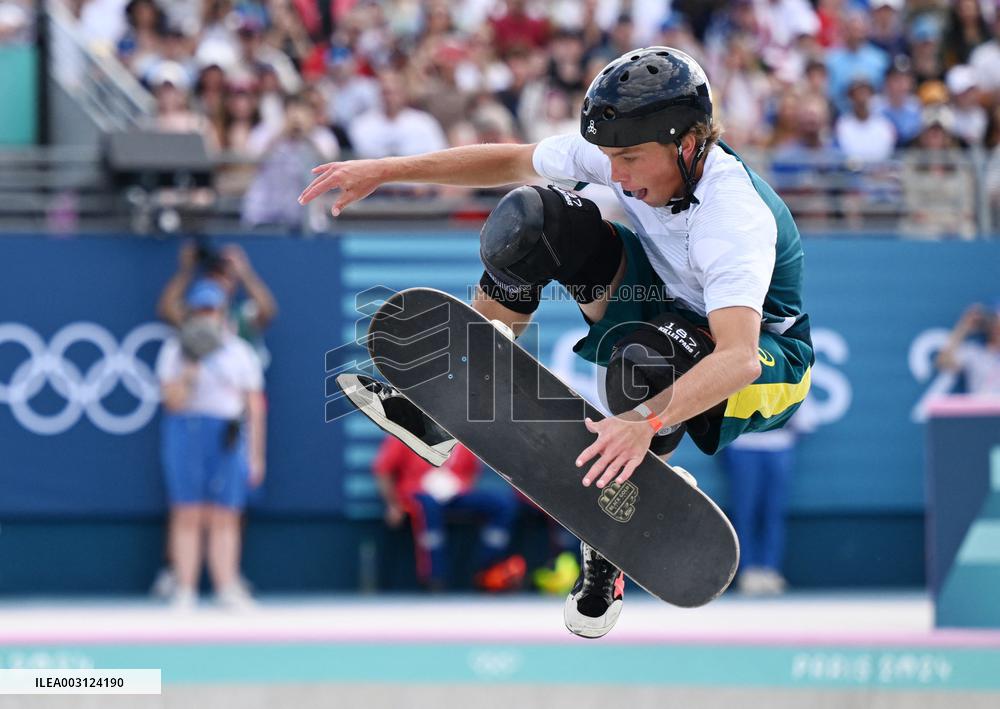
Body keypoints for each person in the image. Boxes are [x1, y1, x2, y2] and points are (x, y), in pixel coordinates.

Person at [304, 47, 813, 639]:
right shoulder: (623, 154)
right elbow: (512, 160)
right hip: (662, 306)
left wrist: (643, 424)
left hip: (768, 368)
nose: (617, 174)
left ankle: (611, 540)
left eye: (630, 159)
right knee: (531, 219)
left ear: (690, 143)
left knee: (646, 361)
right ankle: (452, 407)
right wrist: (385, 171)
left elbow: (739, 358)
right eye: (609, 158)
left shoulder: (733, 214)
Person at [156, 279, 266, 610]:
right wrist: (191, 366)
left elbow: (254, 406)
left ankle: (226, 585)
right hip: (186, 432)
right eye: (200, 310)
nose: (207, 316)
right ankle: (186, 588)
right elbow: (172, 402)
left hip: (227, 435)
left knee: (226, 514)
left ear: (222, 313)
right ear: (191, 314)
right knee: (187, 511)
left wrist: (257, 456)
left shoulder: (240, 352)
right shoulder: (174, 350)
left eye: (212, 310)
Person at [373, 436, 525, 592]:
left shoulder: (461, 435)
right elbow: (383, 470)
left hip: (454, 494)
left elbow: (471, 472)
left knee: (503, 504)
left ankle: (487, 565)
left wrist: (456, 487)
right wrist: (393, 505)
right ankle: (435, 577)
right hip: (418, 495)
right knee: (428, 506)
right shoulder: (406, 430)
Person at [935, 303, 1000, 396]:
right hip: (983, 409)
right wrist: (963, 327)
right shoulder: (974, 353)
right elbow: (943, 362)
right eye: (996, 323)